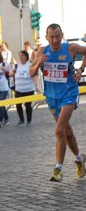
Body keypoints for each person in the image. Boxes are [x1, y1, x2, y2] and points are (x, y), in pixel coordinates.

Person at [30, 23, 86, 182]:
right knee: (66, 132)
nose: (55, 40)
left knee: (59, 129)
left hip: (69, 93)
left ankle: (58, 169)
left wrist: (81, 69)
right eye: (51, 37)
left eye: (57, 36)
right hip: (52, 96)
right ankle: (80, 159)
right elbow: (31, 72)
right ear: (47, 38)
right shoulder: (42, 51)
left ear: (62, 35)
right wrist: (39, 62)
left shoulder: (71, 48)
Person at [11, 51, 35, 125]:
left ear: (26, 57)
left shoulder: (30, 65)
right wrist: (13, 72)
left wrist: (36, 86)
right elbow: (11, 75)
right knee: (18, 105)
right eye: (20, 55)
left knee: (28, 105)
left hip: (29, 89)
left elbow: (34, 76)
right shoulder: (16, 66)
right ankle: (21, 120)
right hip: (19, 89)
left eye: (22, 55)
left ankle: (29, 120)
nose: (21, 57)